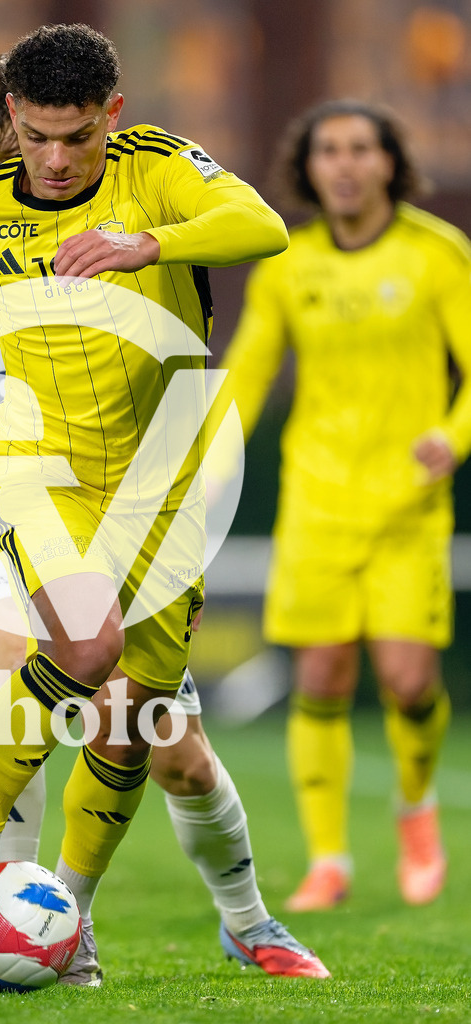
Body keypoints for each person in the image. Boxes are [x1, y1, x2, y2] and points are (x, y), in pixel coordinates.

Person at [0, 25, 328, 981]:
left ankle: (98, 913)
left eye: (77, 139)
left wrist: (148, 245)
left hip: (160, 479)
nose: (53, 162)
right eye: (34, 139)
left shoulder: (160, 173)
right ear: (9, 122)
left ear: (112, 118)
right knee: (79, 653)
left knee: (140, 724)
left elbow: (262, 227)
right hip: (24, 473)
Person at [216, 98, 471, 911]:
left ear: (389, 161)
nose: (346, 164)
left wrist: (451, 436)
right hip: (316, 503)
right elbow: (249, 376)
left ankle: (415, 809)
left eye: (361, 148)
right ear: (309, 167)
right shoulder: (286, 268)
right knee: (320, 676)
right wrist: (211, 453)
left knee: (403, 678)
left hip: (406, 505)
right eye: (329, 150)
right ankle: (327, 858)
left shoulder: (436, 254)